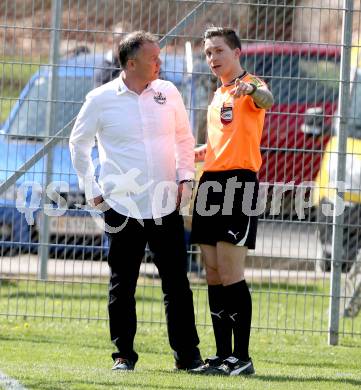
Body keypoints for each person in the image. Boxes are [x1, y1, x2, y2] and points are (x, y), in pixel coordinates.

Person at [69, 30, 202, 371]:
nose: (160, 62)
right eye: (153, 57)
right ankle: (123, 355)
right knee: (122, 285)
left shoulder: (168, 92)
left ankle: (187, 358)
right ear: (131, 63)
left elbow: (184, 139)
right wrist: (91, 187)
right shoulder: (99, 99)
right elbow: (78, 143)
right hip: (121, 207)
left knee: (177, 285)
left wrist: (185, 177)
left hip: (164, 205)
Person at [189, 27, 274, 376]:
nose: (212, 58)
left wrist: (253, 88)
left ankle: (242, 357)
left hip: (238, 184)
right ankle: (223, 355)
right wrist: (203, 152)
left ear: (237, 53)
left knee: (230, 272)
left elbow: (267, 99)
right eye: (208, 53)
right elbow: (225, 141)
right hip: (210, 183)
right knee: (211, 271)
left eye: (219, 51)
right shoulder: (218, 94)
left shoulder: (250, 86)